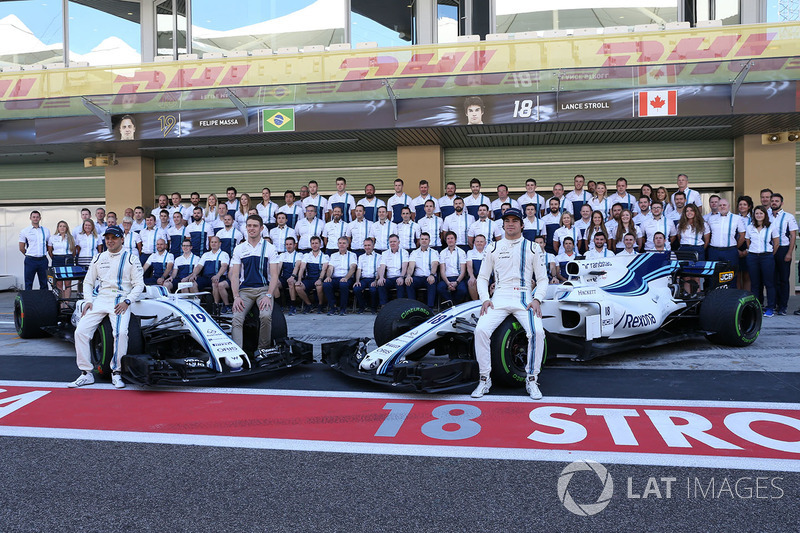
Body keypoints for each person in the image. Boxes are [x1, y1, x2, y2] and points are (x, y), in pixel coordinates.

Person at [471, 207, 548, 400]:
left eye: (514, 220)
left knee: (538, 332)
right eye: (507, 221)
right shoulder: (493, 247)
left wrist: (537, 299)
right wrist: (485, 299)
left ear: (522, 225)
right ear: (503, 224)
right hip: (500, 296)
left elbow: (543, 279)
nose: (510, 224)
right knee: (480, 330)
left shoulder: (533, 247)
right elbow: (481, 278)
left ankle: (532, 379)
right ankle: (484, 379)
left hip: (524, 297)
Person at [69, 226, 144, 389]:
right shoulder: (98, 258)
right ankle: (86, 373)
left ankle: (116, 373)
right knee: (80, 331)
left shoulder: (131, 258)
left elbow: (139, 284)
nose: (110, 241)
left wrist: (128, 301)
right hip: (100, 299)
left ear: (122, 239)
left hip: (121, 300)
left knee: (121, 333)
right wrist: (88, 300)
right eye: (107, 238)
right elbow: (88, 282)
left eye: (114, 238)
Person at [229, 215, 280, 352]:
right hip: (244, 291)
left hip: (264, 290)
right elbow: (234, 275)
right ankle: (238, 353)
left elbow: (275, 275)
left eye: (255, 226)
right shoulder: (239, 248)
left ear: (261, 228)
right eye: (249, 225)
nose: (252, 228)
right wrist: (236, 297)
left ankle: (263, 349)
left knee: (265, 316)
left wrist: (269, 295)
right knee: (236, 319)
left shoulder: (269, 248)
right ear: (246, 227)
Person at [746, 206, 779, 318]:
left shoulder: (771, 226)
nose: (759, 215)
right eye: (756, 213)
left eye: (761, 213)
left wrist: (769, 254)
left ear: (765, 214)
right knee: (755, 284)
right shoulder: (750, 227)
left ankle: (770, 308)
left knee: (769, 283)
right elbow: (748, 241)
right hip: (753, 257)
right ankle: (756, 307)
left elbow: (776, 242)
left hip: (767, 257)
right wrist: (754, 251)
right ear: (754, 215)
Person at [769, 193, 797, 315]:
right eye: (772, 201)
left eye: (777, 201)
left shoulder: (788, 217)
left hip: (783, 249)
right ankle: (774, 304)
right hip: (769, 249)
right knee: (772, 279)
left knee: (783, 279)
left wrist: (789, 252)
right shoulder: (766, 216)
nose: (774, 202)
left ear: (782, 203)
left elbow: (793, 235)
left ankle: (783, 306)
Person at [707, 198, 745, 288]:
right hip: (714, 251)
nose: (722, 207)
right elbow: (707, 234)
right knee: (713, 276)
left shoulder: (737, 218)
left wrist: (735, 247)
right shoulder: (711, 219)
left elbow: (742, 235)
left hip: (730, 251)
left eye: (724, 205)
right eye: (720, 205)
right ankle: (715, 298)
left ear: (729, 206)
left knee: (731, 276)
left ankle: (730, 299)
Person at [193, 236, 230, 309]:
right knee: (193, 283)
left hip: (218, 276)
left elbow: (224, 266)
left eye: (215, 242)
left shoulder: (224, 254)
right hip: (206, 277)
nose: (213, 244)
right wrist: (194, 274)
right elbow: (199, 266)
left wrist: (218, 275)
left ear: (220, 244)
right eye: (212, 242)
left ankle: (215, 305)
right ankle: (198, 305)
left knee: (215, 283)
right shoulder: (206, 254)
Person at [323, 237, 357, 315]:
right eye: (340, 243)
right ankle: (333, 307)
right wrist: (328, 276)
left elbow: (353, 268)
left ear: (348, 245)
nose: (342, 245)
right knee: (326, 284)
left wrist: (346, 278)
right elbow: (330, 268)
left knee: (343, 285)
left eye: (344, 243)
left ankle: (343, 308)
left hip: (347, 278)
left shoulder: (352, 255)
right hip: (335, 278)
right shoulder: (333, 255)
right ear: (337, 245)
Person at [295, 236, 329, 313]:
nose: (314, 245)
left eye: (316, 243)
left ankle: (320, 305)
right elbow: (302, 268)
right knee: (298, 287)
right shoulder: (306, 255)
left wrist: (320, 279)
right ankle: (309, 305)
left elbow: (324, 269)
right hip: (309, 279)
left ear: (320, 244)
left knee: (319, 286)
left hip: (319, 278)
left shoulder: (324, 256)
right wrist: (299, 280)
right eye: (312, 243)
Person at [19, 210, 51, 290]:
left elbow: (48, 245)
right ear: (30, 218)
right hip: (30, 260)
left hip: (43, 260)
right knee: (28, 283)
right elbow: (21, 247)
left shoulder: (46, 230)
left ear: (40, 218)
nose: (35, 219)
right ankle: (29, 302)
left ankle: (44, 301)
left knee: (44, 282)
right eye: (34, 217)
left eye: (37, 217)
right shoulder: (25, 231)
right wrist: (29, 255)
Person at [406, 232, 440, 307]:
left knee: (432, 282)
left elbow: (435, 264)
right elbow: (411, 266)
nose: (424, 241)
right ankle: (412, 307)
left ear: (429, 241)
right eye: (422, 239)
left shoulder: (434, 252)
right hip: (418, 277)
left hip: (429, 276)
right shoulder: (414, 253)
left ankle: (430, 308)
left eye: (426, 239)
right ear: (419, 240)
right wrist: (408, 275)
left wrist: (432, 275)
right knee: (409, 282)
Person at [436, 231, 468, 305]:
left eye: (452, 238)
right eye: (448, 239)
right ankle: (452, 304)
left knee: (463, 290)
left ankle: (454, 304)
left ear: (455, 240)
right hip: (446, 278)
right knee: (440, 288)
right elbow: (442, 271)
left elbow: (463, 271)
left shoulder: (461, 252)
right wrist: (448, 283)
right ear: (446, 240)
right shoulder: (442, 253)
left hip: (458, 278)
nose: (450, 240)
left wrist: (456, 282)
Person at [377, 235, 409, 304]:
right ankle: (383, 306)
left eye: (394, 241)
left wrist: (401, 277)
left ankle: (400, 306)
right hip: (389, 278)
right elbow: (382, 266)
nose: (392, 243)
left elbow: (405, 266)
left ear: (399, 242)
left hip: (400, 276)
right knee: (381, 283)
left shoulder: (404, 252)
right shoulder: (385, 253)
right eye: (391, 242)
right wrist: (381, 277)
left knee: (400, 284)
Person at [48, 220, 75, 300]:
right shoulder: (53, 238)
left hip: (68, 259)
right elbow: (50, 251)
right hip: (57, 260)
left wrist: (69, 258)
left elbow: (74, 251)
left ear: (67, 228)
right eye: (60, 226)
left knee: (68, 283)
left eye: (64, 226)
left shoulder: (71, 237)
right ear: (58, 228)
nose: (62, 228)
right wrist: (55, 258)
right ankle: (61, 303)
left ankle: (66, 304)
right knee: (59, 283)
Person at [353, 237, 380, 313]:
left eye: (369, 245)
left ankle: (373, 307)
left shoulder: (379, 256)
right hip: (364, 279)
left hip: (374, 278)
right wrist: (357, 281)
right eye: (365, 245)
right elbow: (359, 270)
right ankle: (362, 306)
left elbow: (379, 270)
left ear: (373, 246)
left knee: (373, 289)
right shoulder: (361, 257)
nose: (367, 247)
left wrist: (376, 280)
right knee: (356, 288)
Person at [276, 237, 302, 315]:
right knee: (275, 284)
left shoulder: (299, 254)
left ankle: (292, 306)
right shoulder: (282, 255)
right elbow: (279, 267)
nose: (288, 246)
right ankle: (279, 306)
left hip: (294, 277)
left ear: (294, 245)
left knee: (291, 283)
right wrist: (276, 278)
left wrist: (293, 276)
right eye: (287, 244)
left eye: (290, 244)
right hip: (284, 277)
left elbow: (297, 266)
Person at [736, 195, 754, 292]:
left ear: (749, 206)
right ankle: (738, 299)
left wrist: (747, 250)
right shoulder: (734, 218)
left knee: (747, 275)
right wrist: (736, 249)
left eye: (744, 204)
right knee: (737, 275)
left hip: (750, 248)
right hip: (736, 247)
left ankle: (746, 297)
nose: (742, 206)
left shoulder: (754, 219)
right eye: (740, 204)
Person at [467, 234, 489, 300]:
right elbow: (469, 265)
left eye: (481, 242)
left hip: (486, 277)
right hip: (475, 276)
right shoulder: (470, 252)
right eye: (477, 241)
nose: (479, 243)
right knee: (471, 283)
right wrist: (471, 276)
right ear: (474, 243)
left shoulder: (489, 252)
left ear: (485, 243)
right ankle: (476, 303)